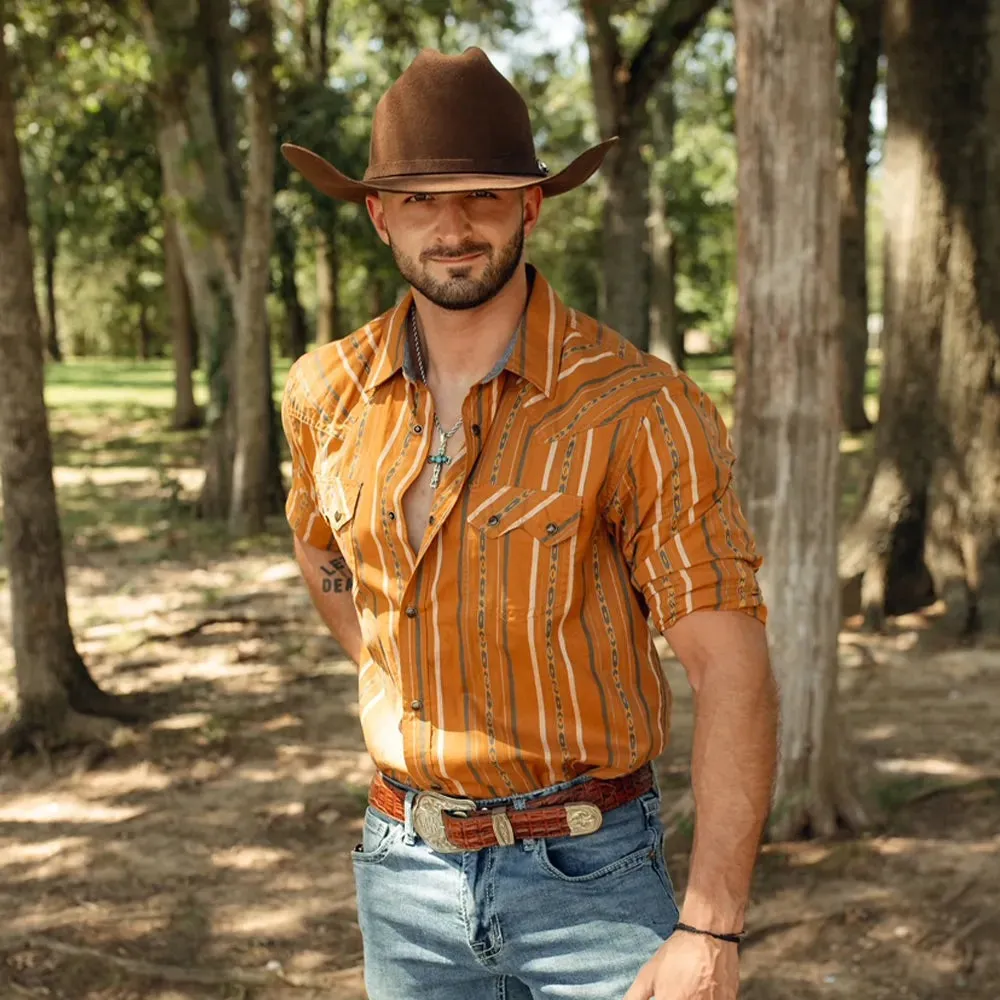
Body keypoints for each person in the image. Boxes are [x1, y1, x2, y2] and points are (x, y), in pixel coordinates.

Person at [280, 46, 778, 1000]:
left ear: (532, 204)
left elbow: (732, 665)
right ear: (380, 214)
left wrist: (712, 926)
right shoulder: (324, 391)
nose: (454, 227)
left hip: (592, 875)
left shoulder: (638, 407)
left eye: (483, 195)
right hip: (404, 872)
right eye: (422, 200)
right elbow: (320, 548)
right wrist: (412, 672)